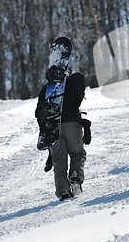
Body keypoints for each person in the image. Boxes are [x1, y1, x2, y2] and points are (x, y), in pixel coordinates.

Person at [35, 38, 87, 201]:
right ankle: (75, 178)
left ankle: (63, 191)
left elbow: (38, 114)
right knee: (77, 154)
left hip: (53, 128)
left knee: (59, 161)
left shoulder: (46, 89)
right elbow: (77, 100)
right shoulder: (72, 83)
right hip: (72, 123)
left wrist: (45, 135)